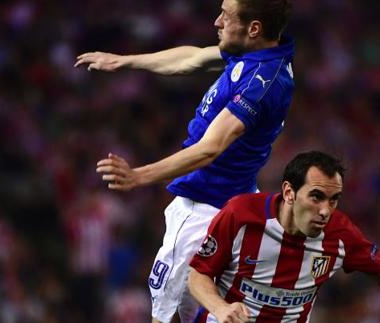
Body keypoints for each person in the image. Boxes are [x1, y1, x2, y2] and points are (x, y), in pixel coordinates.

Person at [75, 1, 294, 322]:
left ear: (254, 28)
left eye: (226, 16)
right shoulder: (259, 55)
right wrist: (124, 62)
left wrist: (139, 175)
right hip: (230, 201)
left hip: (204, 211)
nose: (217, 21)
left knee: (167, 316)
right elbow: (192, 59)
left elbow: (210, 148)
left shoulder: (259, 83)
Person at [188, 151, 380, 323]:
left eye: (334, 200)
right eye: (317, 197)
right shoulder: (241, 215)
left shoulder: (340, 234)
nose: (325, 210)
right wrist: (221, 309)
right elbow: (198, 275)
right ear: (289, 192)